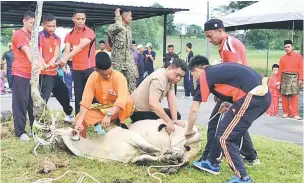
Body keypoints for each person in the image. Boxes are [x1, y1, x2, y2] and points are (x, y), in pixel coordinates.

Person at [185, 55, 270, 183]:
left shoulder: (205, 76)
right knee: (224, 130)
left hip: (253, 97)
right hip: (259, 96)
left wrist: (189, 130)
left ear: (197, 70)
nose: (193, 78)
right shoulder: (217, 71)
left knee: (225, 138)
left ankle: (243, 178)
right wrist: (229, 103)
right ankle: (212, 163)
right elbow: (237, 84)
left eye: (192, 75)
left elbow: (194, 109)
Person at [201, 18, 259, 164]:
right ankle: (251, 156)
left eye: (210, 35)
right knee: (235, 123)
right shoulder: (229, 43)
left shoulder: (228, 44)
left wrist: (224, 97)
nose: (209, 40)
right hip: (242, 91)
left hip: (239, 91)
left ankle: (209, 156)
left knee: (216, 122)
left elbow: (235, 71)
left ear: (220, 30)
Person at [74, 52, 134, 138]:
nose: (108, 76)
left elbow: (121, 101)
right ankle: (81, 141)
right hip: (104, 108)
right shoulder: (93, 78)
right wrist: (80, 120)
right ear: (96, 70)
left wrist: (109, 115)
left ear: (112, 65)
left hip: (121, 110)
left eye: (110, 72)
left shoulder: (120, 78)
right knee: (80, 117)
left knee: (127, 101)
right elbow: (85, 101)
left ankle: (120, 122)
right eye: (104, 75)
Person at [130, 58, 187, 135]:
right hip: (139, 113)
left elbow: (172, 99)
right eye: (177, 75)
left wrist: (174, 119)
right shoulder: (159, 78)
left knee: (176, 116)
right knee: (167, 120)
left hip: (149, 111)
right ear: (170, 68)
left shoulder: (169, 79)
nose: (178, 79)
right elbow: (153, 103)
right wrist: (169, 121)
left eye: (181, 77)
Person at [38, 14, 74, 123]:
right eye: (49, 26)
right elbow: (38, 53)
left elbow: (56, 54)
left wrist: (52, 62)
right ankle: (40, 120)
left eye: (54, 26)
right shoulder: (39, 36)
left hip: (54, 73)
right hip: (43, 74)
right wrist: (42, 63)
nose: (52, 28)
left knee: (63, 93)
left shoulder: (57, 38)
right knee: (44, 99)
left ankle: (69, 114)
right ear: (43, 25)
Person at [59, 9, 96, 115]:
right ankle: (79, 121)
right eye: (78, 19)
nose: (81, 21)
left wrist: (65, 59)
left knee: (91, 95)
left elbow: (79, 48)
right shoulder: (69, 35)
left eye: (83, 19)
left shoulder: (89, 32)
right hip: (76, 70)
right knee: (78, 96)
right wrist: (63, 61)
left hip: (89, 69)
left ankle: (95, 122)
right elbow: (66, 50)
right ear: (73, 19)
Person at [11, 11, 35, 141]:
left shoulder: (32, 36)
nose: (33, 25)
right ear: (24, 21)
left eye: (34, 23)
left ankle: (33, 128)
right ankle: (20, 132)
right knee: (21, 103)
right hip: (20, 73)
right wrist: (35, 64)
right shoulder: (19, 34)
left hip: (31, 74)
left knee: (32, 103)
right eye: (31, 23)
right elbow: (27, 52)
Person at [108, 8, 136, 93]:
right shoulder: (112, 27)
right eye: (130, 16)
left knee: (131, 86)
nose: (131, 18)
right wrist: (117, 15)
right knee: (118, 87)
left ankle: (131, 104)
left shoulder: (128, 29)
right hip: (118, 64)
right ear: (124, 16)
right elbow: (119, 26)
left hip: (128, 63)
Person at [277, 40, 303, 120]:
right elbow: (280, 70)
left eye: (288, 47)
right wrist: (279, 81)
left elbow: (301, 68)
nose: (287, 48)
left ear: (292, 47)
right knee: (284, 96)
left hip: (295, 77)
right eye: (285, 47)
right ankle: (286, 112)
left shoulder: (298, 56)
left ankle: (295, 113)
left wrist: (301, 79)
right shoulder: (282, 58)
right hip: (285, 77)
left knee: (294, 96)